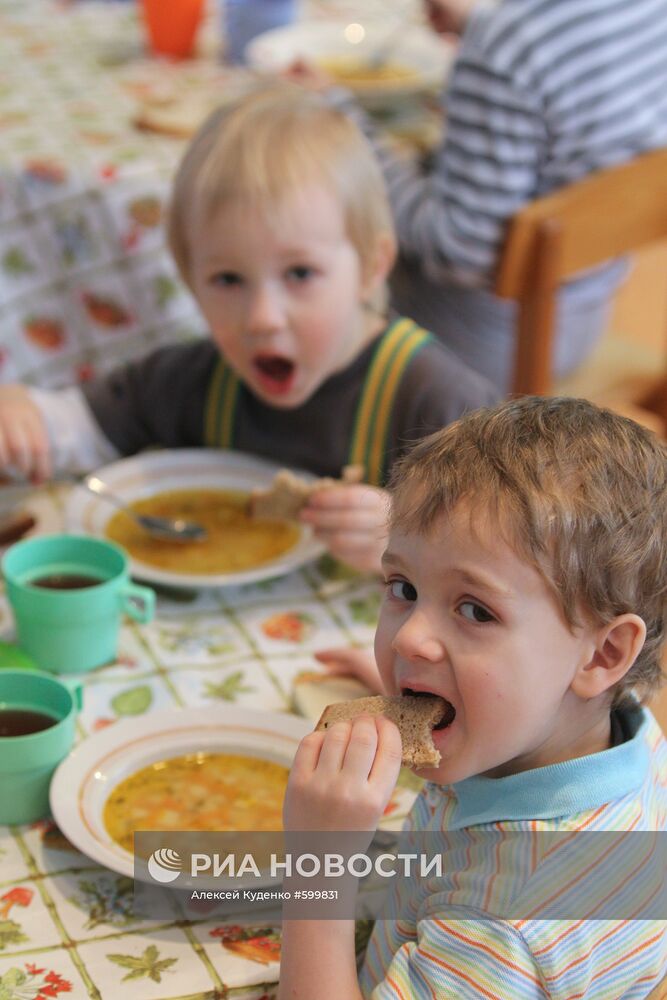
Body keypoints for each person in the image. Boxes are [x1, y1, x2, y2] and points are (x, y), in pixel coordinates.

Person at [0, 82, 497, 574]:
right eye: (227, 279)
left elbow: (520, 555)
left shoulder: (442, 406)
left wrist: (411, 547)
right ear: (190, 280)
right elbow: (81, 427)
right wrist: (24, 415)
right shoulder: (190, 380)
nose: (261, 317)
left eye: (299, 274)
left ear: (371, 266)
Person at [278, 396, 667, 998]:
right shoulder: (624, 734)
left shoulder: (499, 925)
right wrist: (419, 684)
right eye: (404, 587)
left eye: (475, 610)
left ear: (603, 655)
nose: (409, 636)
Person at [297, 0, 667, 392]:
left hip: (484, 347)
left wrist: (341, 120)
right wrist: (481, 33)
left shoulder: (507, 44)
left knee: (310, 248)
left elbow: (457, 250)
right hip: (587, 313)